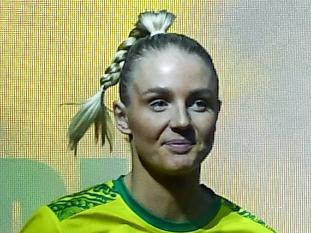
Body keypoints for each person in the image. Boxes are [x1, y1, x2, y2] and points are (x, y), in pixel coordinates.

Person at [21, 10, 276, 233]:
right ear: (123, 117)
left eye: (199, 103)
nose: (181, 121)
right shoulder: (60, 226)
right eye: (159, 103)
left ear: (217, 113)